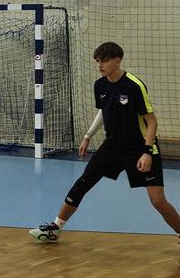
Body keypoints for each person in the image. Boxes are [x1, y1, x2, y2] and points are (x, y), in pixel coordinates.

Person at [30, 42, 180, 244]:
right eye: (98, 61)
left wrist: (147, 152)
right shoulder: (100, 85)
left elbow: (151, 121)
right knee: (83, 182)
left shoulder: (134, 86)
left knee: (158, 200)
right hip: (112, 146)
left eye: (105, 61)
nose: (100, 65)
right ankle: (55, 228)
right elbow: (103, 110)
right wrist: (88, 136)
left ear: (118, 61)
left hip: (139, 147)